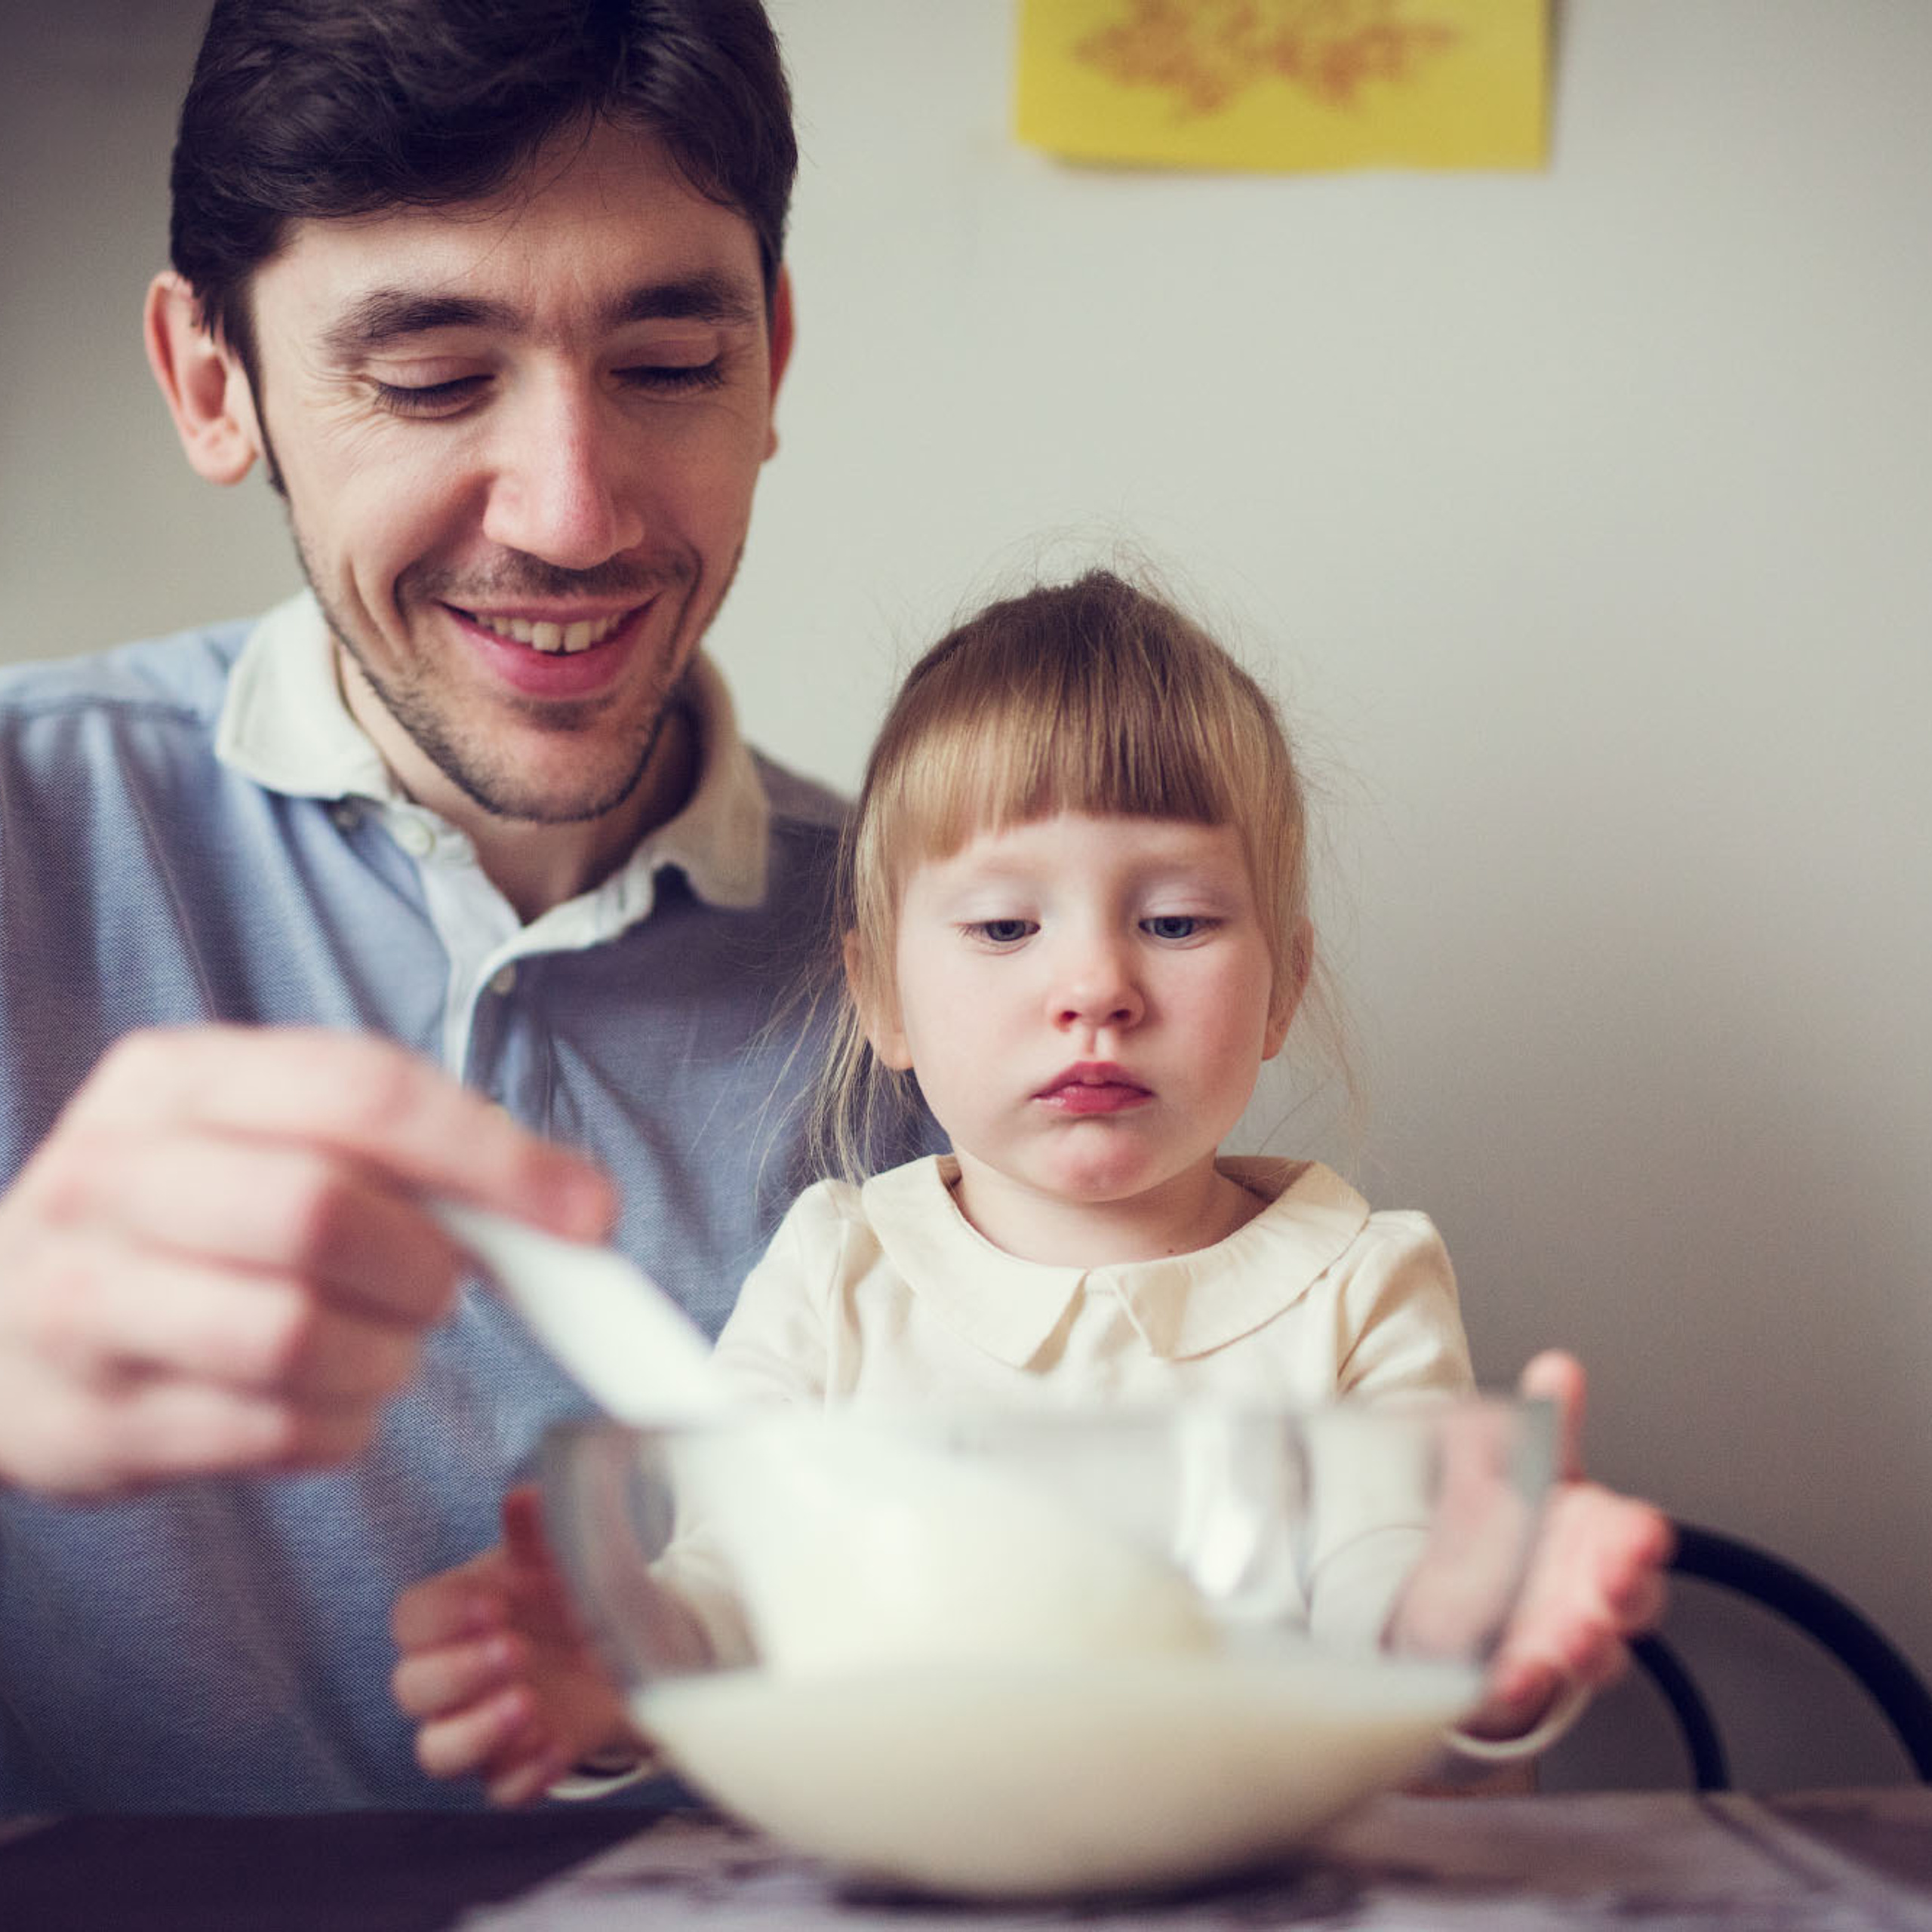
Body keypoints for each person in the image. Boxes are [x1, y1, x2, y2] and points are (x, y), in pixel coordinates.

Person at [0, 0, 911, 1813]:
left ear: (773, 358)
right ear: (211, 381)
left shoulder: (969, 970)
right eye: (426, 377)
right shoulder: (28, 823)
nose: (571, 516)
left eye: (669, 364)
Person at [392, 570, 1671, 1806]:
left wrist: (1476, 1629)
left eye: (1175, 922)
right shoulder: (838, 1270)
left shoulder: (1360, 1283)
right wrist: (622, 1665)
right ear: (882, 996)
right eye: (1006, 928)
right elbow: (739, 1580)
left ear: (1283, 986)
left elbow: (1385, 1595)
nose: (1095, 987)